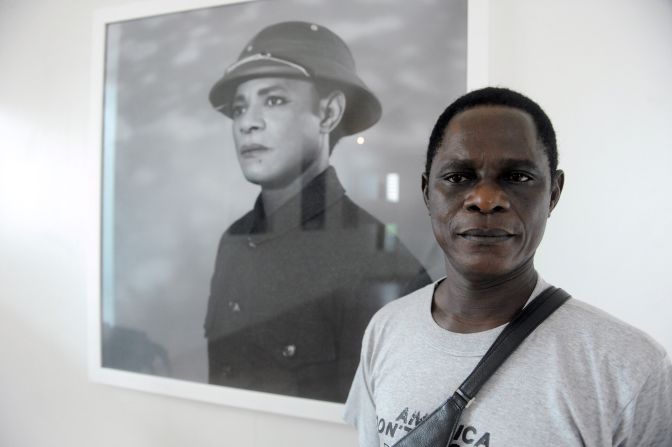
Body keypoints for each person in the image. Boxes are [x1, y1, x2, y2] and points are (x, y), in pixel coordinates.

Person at [344, 87, 672, 446]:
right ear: (427, 193)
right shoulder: (387, 328)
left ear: (553, 194)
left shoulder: (629, 369)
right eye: (458, 177)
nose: (485, 200)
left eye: (517, 177)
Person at [204, 21, 430, 403]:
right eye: (239, 108)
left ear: (328, 113)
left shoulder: (382, 262)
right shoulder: (234, 242)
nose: (248, 122)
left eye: (273, 100)